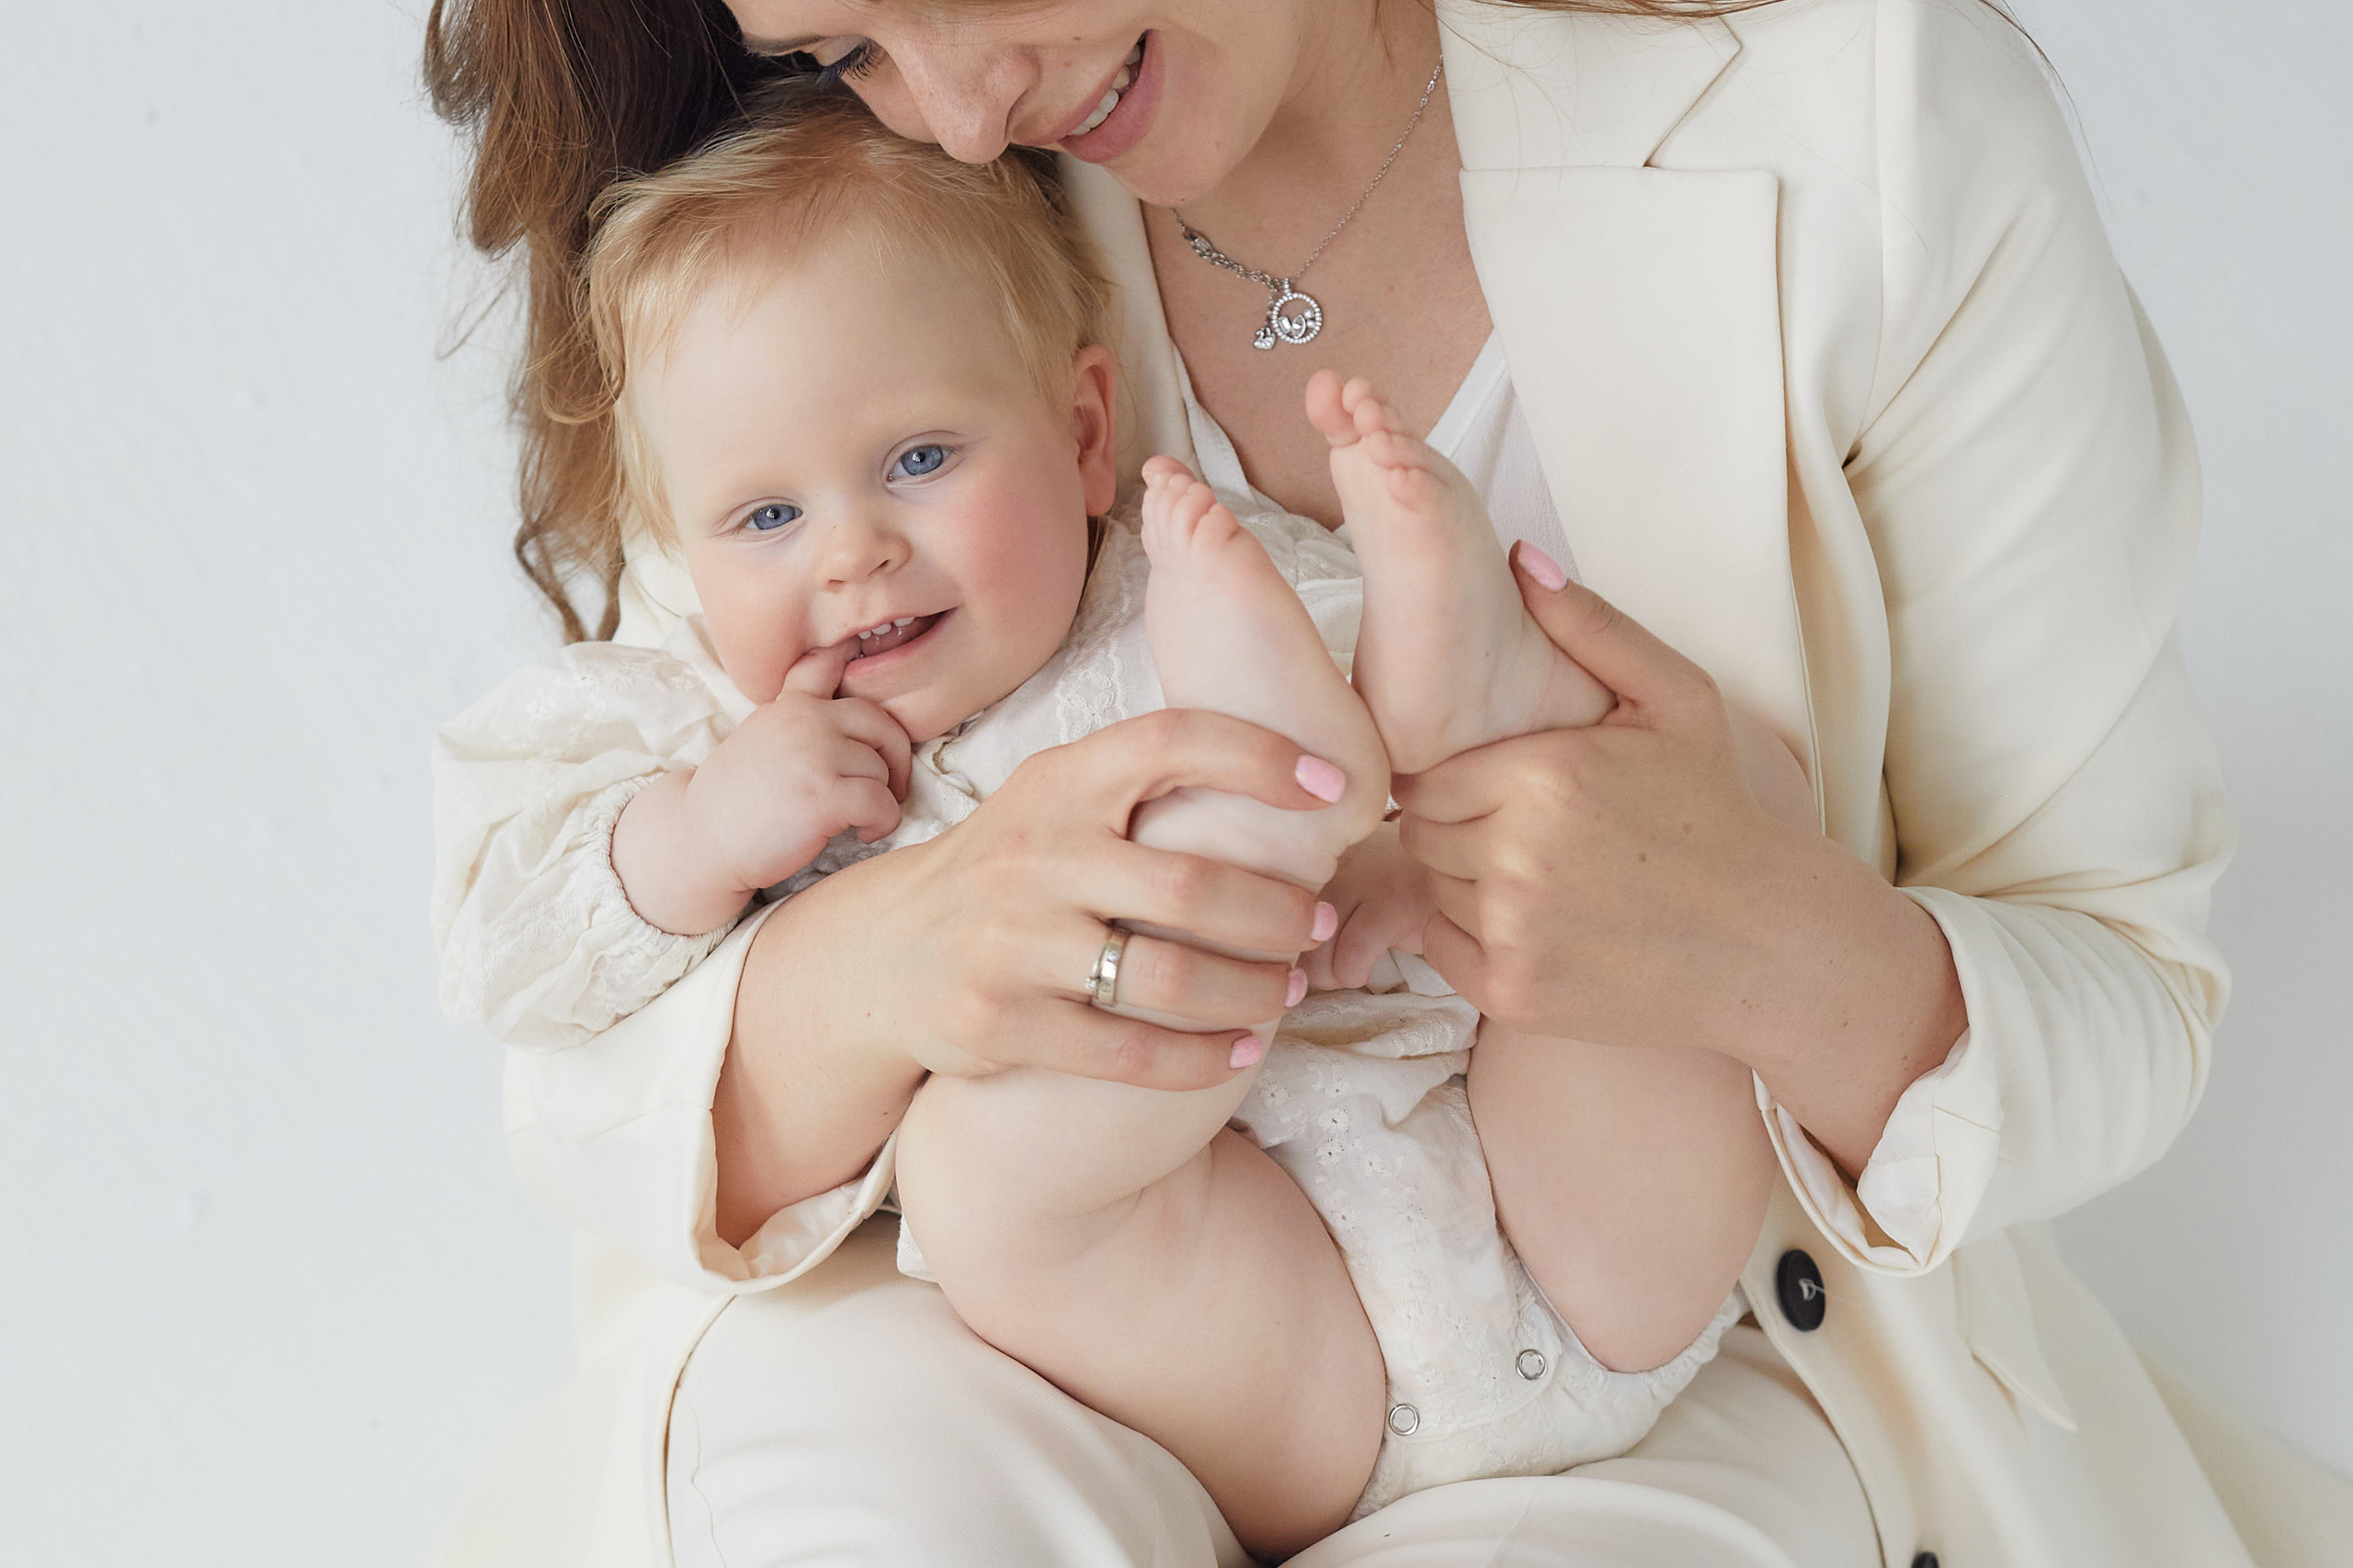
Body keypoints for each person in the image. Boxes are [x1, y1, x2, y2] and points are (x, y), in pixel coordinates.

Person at [421, 1, 2339, 1565]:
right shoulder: (842, 227)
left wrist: (1769, 940)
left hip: (1643, 1322)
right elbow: (576, 1056)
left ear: (1090, 428)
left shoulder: (1873, 129)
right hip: (1101, 1314)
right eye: (848, 45)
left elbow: (2124, 981)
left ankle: (1469, 690)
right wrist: (885, 961)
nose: (954, 103)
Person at [434, 92, 1821, 1559]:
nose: (853, 550)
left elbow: (1491, 865)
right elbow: (502, 951)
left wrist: (1422, 849)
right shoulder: (702, 727)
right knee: (978, 1185)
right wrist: (693, 837)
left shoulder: (1198, 592)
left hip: (1570, 1229)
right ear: (683, 557)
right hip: (1285, 1365)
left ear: (1085, 434)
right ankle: (1263, 818)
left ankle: (1482, 718)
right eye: (764, 520)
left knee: (1623, 882)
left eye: (918, 459)